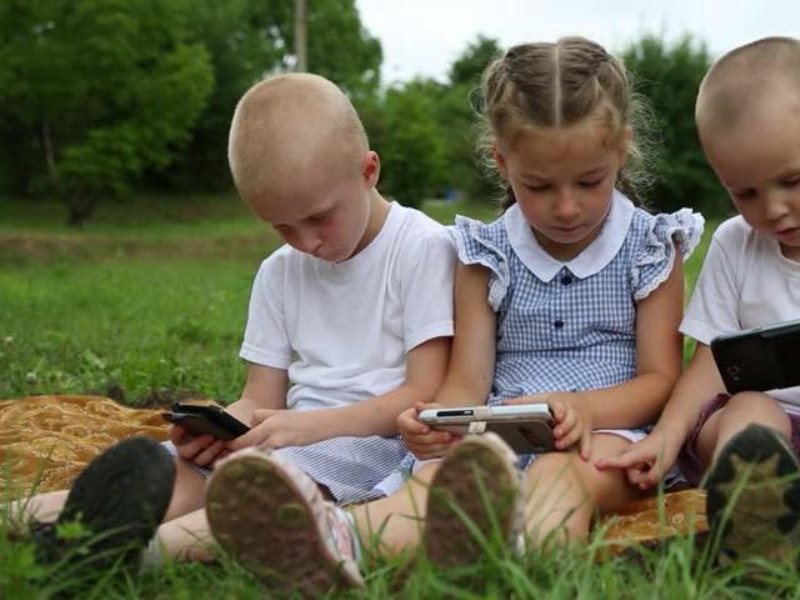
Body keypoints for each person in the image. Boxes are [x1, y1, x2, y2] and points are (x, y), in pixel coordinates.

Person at [205, 37, 703, 592]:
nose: (567, 207)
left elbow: (661, 380)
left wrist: (580, 409)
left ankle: (528, 566)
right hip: (500, 427)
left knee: (560, 475)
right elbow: (466, 380)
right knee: (439, 481)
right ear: (502, 161)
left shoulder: (653, 245)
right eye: (538, 186)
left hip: (610, 430)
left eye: (590, 182)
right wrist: (432, 421)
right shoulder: (483, 254)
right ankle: (332, 538)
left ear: (621, 151)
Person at [13, 73, 456, 576]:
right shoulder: (279, 271)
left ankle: (131, 558)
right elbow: (257, 397)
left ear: (368, 170)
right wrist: (222, 428)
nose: (305, 241)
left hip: (375, 444)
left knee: (256, 488)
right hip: (287, 436)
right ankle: (35, 522)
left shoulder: (421, 248)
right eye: (281, 226)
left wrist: (301, 428)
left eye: (318, 218)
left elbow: (423, 394)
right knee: (175, 467)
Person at [596, 36, 800, 565]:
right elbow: (709, 360)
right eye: (745, 193)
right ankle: (753, 509)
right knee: (751, 409)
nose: (774, 209)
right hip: (759, 430)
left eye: (792, 181)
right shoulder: (736, 244)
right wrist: (666, 434)